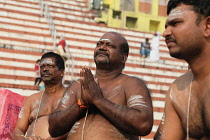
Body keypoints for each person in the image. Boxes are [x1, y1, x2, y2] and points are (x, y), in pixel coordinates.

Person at [48, 32, 153, 140]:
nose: (102, 47)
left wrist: (98, 100)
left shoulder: (132, 84)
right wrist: (81, 104)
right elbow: (53, 128)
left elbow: (143, 124)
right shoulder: (77, 85)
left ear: (123, 57)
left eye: (110, 45)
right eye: (99, 44)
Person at [154, 0, 210, 139]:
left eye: (176, 23)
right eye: (166, 26)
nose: (165, 33)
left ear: (207, 26)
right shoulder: (177, 90)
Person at [12, 52, 68, 140]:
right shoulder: (31, 100)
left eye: (50, 66)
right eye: (42, 67)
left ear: (62, 72)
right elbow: (18, 130)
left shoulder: (72, 96)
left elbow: (79, 124)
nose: (45, 69)